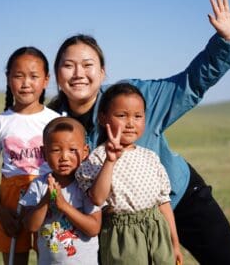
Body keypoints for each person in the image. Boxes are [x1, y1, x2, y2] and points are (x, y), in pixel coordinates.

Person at [48, 0, 230, 265]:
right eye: (68, 66)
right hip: (119, 225)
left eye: (87, 65)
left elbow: (189, 83)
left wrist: (225, 41)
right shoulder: (50, 123)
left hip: (178, 199)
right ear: (57, 74)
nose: (78, 73)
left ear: (103, 71)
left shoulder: (132, 97)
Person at [75, 83, 183, 265]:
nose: (131, 123)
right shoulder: (97, 159)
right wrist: (110, 161)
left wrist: (175, 243)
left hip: (157, 231)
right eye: (122, 115)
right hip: (123, 238)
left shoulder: (150, 157)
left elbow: (164, 203)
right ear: (103, 118)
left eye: (138, 116)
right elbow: (97, 198)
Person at [0, 46, 59, 265]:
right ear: (8, 79)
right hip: (10, 204)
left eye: (34, 76)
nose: (26, 83)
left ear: (46, 80)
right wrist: (1, 213)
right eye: (18, 76)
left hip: (48, 199)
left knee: (52, 258)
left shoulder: (54, 121)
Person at [20, 117, 102, 264]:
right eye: (56, 150)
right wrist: (46, 199)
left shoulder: (86, 185)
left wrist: (63, 205)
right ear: (44, 152)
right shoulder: (39, 185)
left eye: (72, 150)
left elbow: (94, 228)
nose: (64, 157)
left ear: (84, 152)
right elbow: (30, 226)